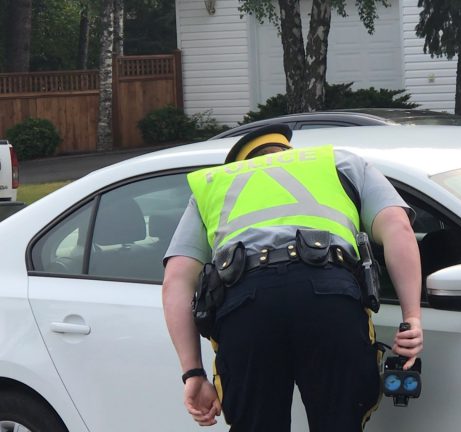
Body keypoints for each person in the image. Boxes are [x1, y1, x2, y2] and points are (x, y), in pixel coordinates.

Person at [161, 124, 423, 431]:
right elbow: (399, 229)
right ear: (290, 151)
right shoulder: (339, 163)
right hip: (329, 299)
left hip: (246, 309)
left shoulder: (216, 183)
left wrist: (192, 373)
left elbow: (176, 279)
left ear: (240, 164)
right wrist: (412, 319)